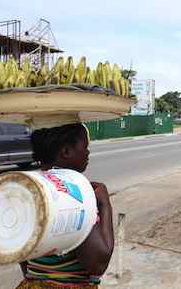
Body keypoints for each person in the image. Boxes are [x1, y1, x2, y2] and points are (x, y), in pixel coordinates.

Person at [16, 123, 114, 289]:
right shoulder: (74, 195)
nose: (88, 152)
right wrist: (104, 204)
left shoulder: (27, 188)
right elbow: (98, 264)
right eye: (85, 146)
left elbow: (22, 256)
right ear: (66, 152)